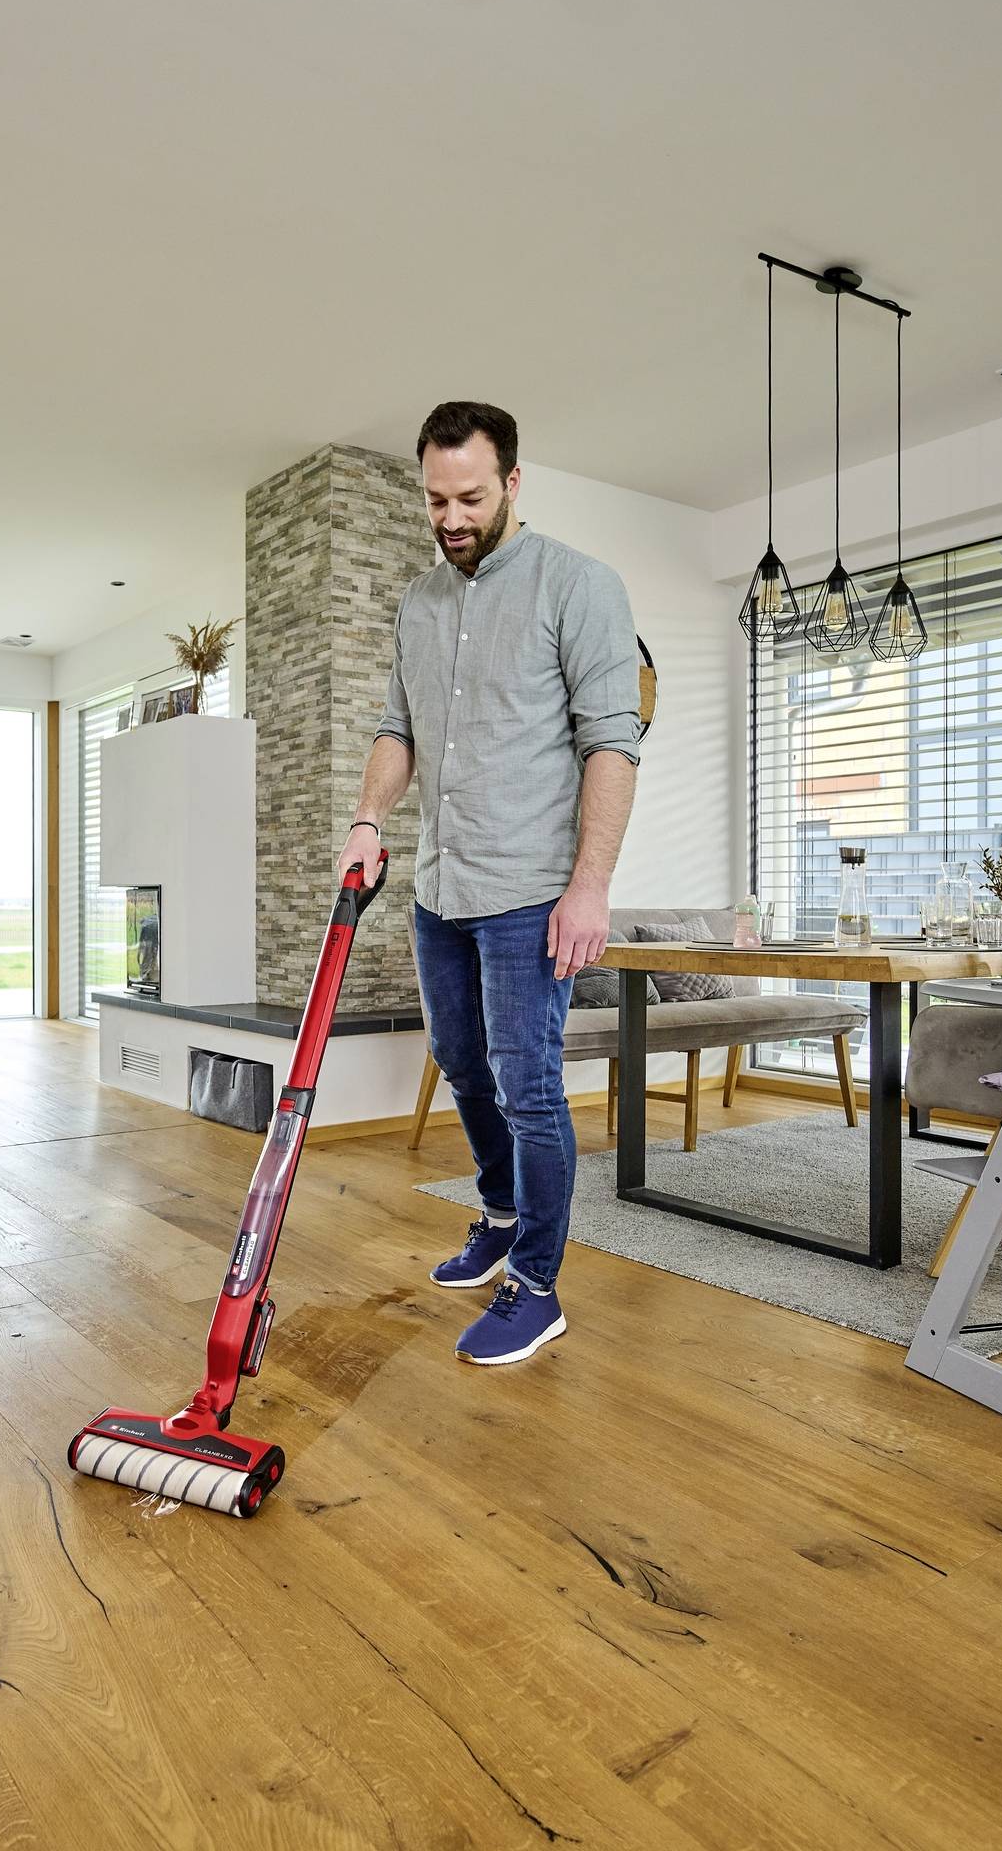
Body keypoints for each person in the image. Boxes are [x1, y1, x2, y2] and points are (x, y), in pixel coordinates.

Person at [338, 401, 640, 1365]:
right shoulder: (420, 603)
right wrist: (367, 821)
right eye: (436, 499)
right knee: (464, 1067)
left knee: (530, 1087)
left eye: (471, 496)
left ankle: (538, 1286)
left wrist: (589, 885)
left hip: (531, 893)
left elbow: (612, 743)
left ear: (513, 482)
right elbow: (400, 729)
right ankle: (502, 1213)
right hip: (442, 887)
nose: (452, 516)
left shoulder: (579, 585)